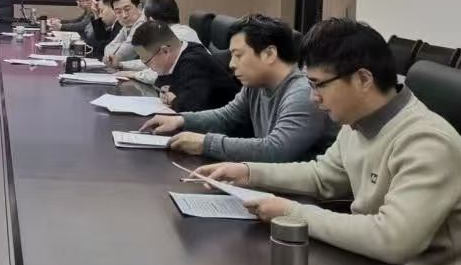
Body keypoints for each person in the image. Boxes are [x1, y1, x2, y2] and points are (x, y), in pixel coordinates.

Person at [197, 18, 461, 265]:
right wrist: (248, 172)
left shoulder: (427, 141)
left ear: (363, 79)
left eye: (318, 85)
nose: (313, 98)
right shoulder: (357, 122)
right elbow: (322, 175)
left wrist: (292, 212)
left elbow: (392, 239)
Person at [141, 14, 336, 161]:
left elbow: (276, 150)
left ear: (269, 54)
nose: (231, 64)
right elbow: (226, 116)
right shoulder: (256, 84)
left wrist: (205, 143)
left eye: (238, 55)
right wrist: (181, 120)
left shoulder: (302, 92)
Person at [130, 21, 239, 112]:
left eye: (147, 61)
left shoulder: (195, 62)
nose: (148, 67)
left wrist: (174, 100)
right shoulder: (177, 55)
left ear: (165, 51)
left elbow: (190, 107)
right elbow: (162, 86)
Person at [116, 0, 202, 84]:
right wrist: (121, 65)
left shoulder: (176, 36)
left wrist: (134, 74)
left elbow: (157, 75)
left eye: (144, 19)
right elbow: (151, 61)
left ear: (151, 20)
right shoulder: (179, 31)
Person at [101, 0, 146, 68]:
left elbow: (121, 56)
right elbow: (107, 51)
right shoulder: (127, 26)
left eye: (127, 9)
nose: (124, 15)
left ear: (139, 7)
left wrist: (118, 48)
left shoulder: (143, 25)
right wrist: (120, 46)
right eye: (118, 12)